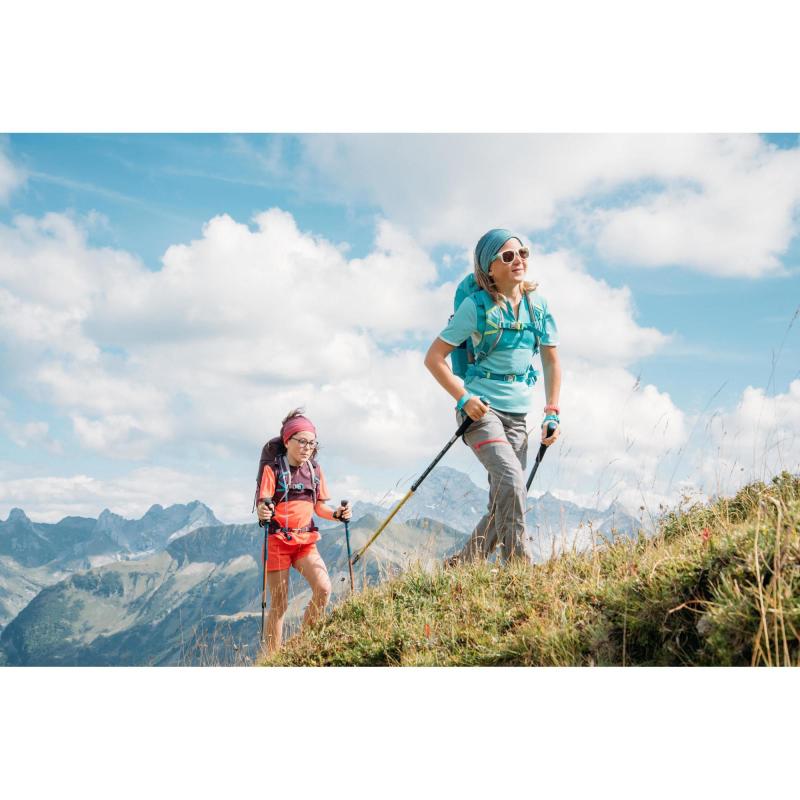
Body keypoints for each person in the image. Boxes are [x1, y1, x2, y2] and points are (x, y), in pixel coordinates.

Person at [424, 228, 561, 564]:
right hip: (480, 411)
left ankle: (463, 565)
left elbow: (551, 361)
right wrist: (463, 398)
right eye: (508, 256)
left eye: (523, 253)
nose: (519, 261)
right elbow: (434, 358)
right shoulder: (475, 307)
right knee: (512, 481)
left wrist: (552, 412)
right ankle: (520, 570)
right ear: (489, 268)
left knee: (505, 497)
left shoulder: (538, 307)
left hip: (517, 415)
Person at [256, 409, 351, 654]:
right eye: (302, 441)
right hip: (278, 541)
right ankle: (272, 659)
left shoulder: (315, 471)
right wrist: (263, 511)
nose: (307, 447)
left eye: (312, 443)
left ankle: (302, 645)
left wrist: (337, 514)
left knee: (324, 589)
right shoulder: (273, 470)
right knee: (279, 604)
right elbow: (263, 504)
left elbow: (319, 507)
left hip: (305, 542)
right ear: (287, 441)